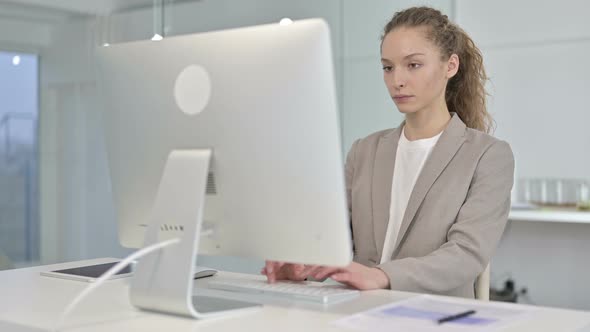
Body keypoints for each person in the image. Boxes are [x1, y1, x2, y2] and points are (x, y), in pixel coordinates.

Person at [262, 6, 514, 298]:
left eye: (413, 65)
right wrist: (302, 263)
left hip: (435, 315)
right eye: (388, 67)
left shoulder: (489, 155)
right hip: (355, 310)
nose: (397, 80)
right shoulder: (364, 151)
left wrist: (381, 276)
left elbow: (466, 255)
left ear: (451, 66)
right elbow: (333, 240)